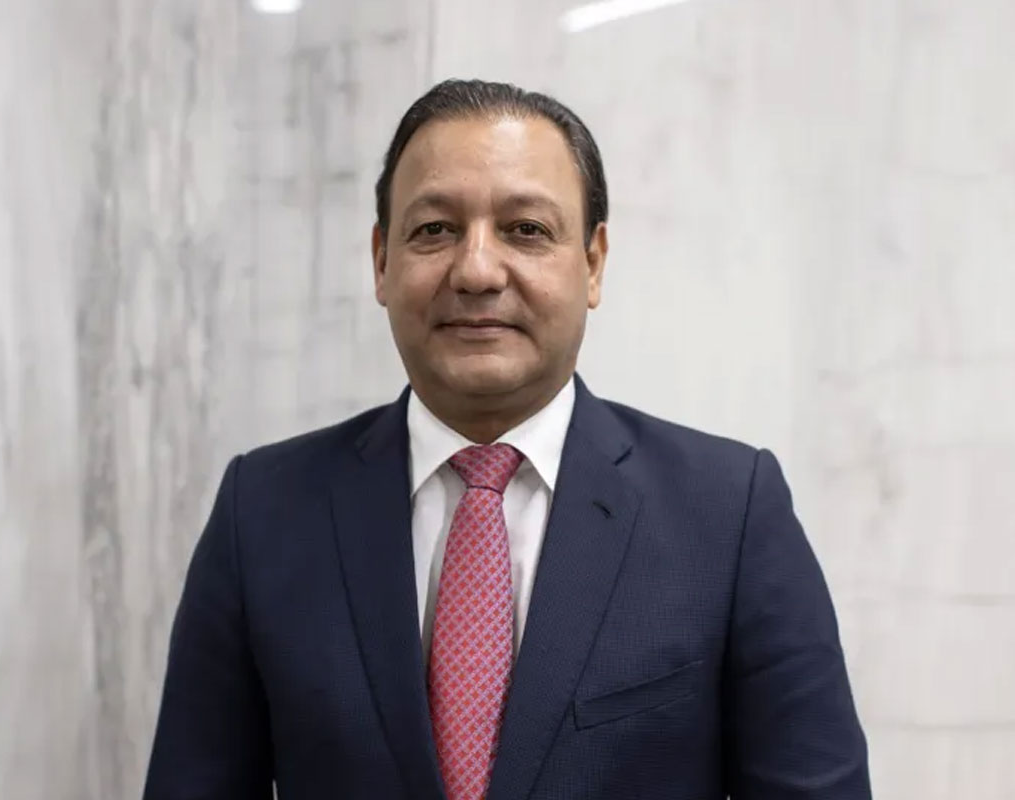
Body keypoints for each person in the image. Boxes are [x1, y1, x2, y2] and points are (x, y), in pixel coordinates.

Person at [143, 79, 871, 800]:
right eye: (435, 230)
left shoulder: (729, 514)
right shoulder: (260, 513)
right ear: (381, 261)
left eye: (526, 230)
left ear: (592, 262)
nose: (477, 270)